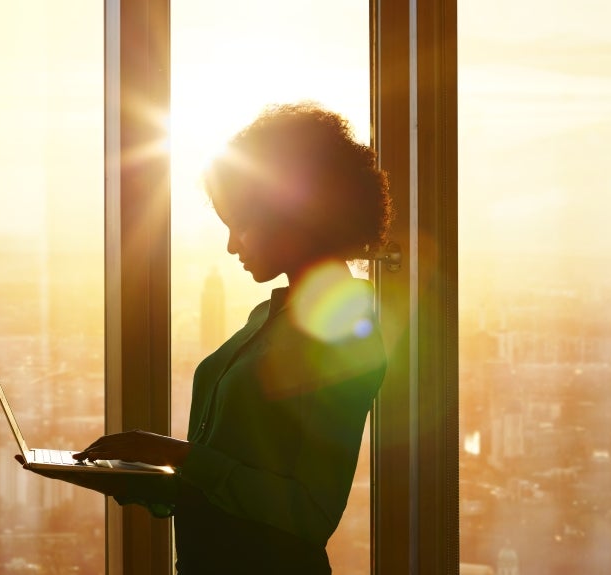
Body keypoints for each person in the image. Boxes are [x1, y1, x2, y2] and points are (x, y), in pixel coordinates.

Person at [70, 103, 392, 574]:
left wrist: (176, 455)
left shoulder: (342, 334)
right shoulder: (270, 315)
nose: (231, 245)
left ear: (292, 214)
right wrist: (144, 475)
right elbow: (229, 473)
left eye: (239, 225)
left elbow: (309, 512)